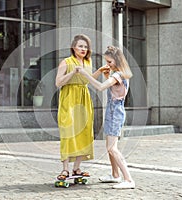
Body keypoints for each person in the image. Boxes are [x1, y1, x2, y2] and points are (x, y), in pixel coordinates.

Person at [76, 45, 135, 189]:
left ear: (117, 60)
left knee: (112, 148)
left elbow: (101, 87)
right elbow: (115, 88)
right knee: (109, 147)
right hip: (112, 111)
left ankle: (128, 180)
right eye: (107, 61)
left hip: (115, 112)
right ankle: (115, 175)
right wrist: (107, 75)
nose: (107, 64)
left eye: (109, 62)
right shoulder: (119, 74)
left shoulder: (118, 75)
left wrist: (85, 74)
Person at [55, 34, 108, 180]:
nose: (83, 49)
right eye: (80, 46)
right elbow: (58, 83)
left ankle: (77, 168)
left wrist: (99, 71)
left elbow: (87, 80)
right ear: (73, 47)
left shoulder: (88, 62)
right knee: (68, 132)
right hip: (69, 99)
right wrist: (72, 72)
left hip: (84, 98)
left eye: (85, 46)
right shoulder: (66, 62)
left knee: (83, 132)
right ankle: (65, 169)